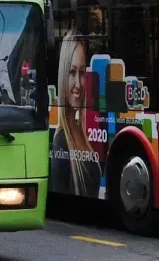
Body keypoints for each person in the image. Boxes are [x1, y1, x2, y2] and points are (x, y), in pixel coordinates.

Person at [50, 29, 102, 198]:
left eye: (82, 72)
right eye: (72, 73)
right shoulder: (61, 141)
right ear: (62, 76)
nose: (78, 84)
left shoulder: (79, 131)